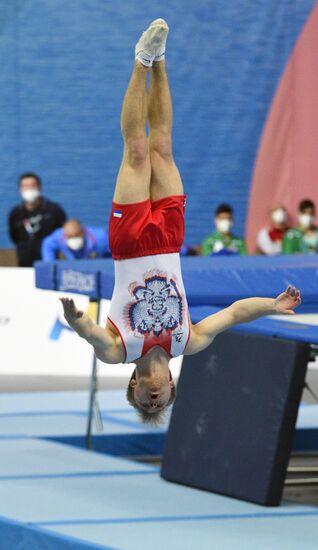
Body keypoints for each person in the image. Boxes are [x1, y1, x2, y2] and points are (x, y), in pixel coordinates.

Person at [60, 19, 301, 424]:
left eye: (145, 402)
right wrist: (272, 306)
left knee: (137, 151)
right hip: (170, 241)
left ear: (133, 386)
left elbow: (91, 334)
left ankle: (141, 61)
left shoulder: (119, 352)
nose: (153, 399)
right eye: (160, 402)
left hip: (131, 242)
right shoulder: (189, 341)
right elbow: (235, 313)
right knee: (164, 147)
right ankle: (160, 59)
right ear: (172, 386)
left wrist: (76, 319)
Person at [8, 172, 67, 266]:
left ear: (40, 188)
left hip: (49, 263)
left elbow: (63, 233)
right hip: (24, 263)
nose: (29, 189)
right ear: (20, 190)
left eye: (33, 185)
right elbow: (14, 237)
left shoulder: (53, 210)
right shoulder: (16, 213)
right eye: (25, 186)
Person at [41, 219, 110, 260]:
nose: (74, 239)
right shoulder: (57, 238)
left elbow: (116, 253)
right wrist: (50, 264)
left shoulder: (101, 237)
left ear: (83, 232)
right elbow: (47, 245)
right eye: (70, 236)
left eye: (77, 235)